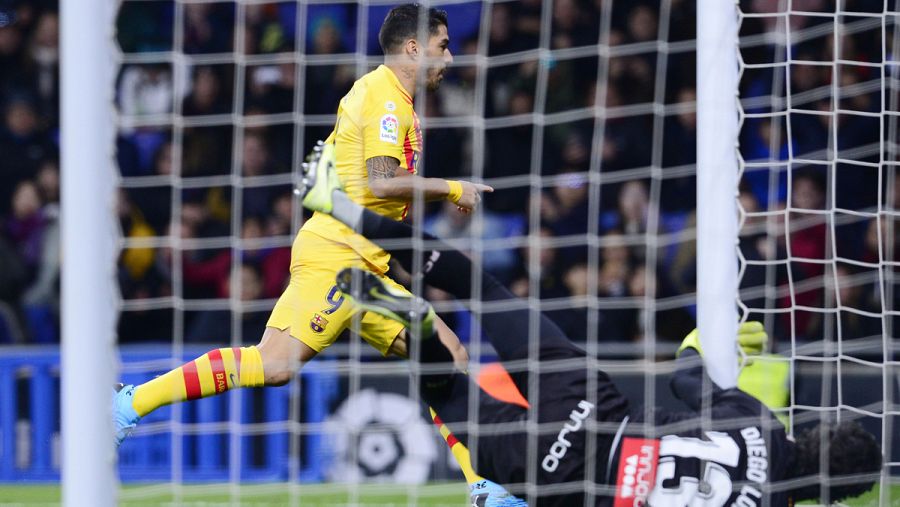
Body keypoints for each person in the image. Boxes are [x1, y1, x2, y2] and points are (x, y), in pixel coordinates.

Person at [296, 151, 882, 506]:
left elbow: (685, 381)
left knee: (484, 288)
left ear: (818, 433)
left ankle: (342, 206)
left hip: (591, 405)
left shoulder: (755, 422)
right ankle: (419, 334)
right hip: (566, 481)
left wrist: (700, 343)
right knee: (449, 392)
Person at [113, 3, 492, 448]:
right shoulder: (386, 99)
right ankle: (131, 404)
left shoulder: (385, 94)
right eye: (442, 47)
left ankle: (485, 486)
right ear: (413, 47)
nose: (449, 58)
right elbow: (383, 181)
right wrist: (451, 189)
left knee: (448, 355)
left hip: (359, 263)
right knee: (274, 365)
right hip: (340, 260)